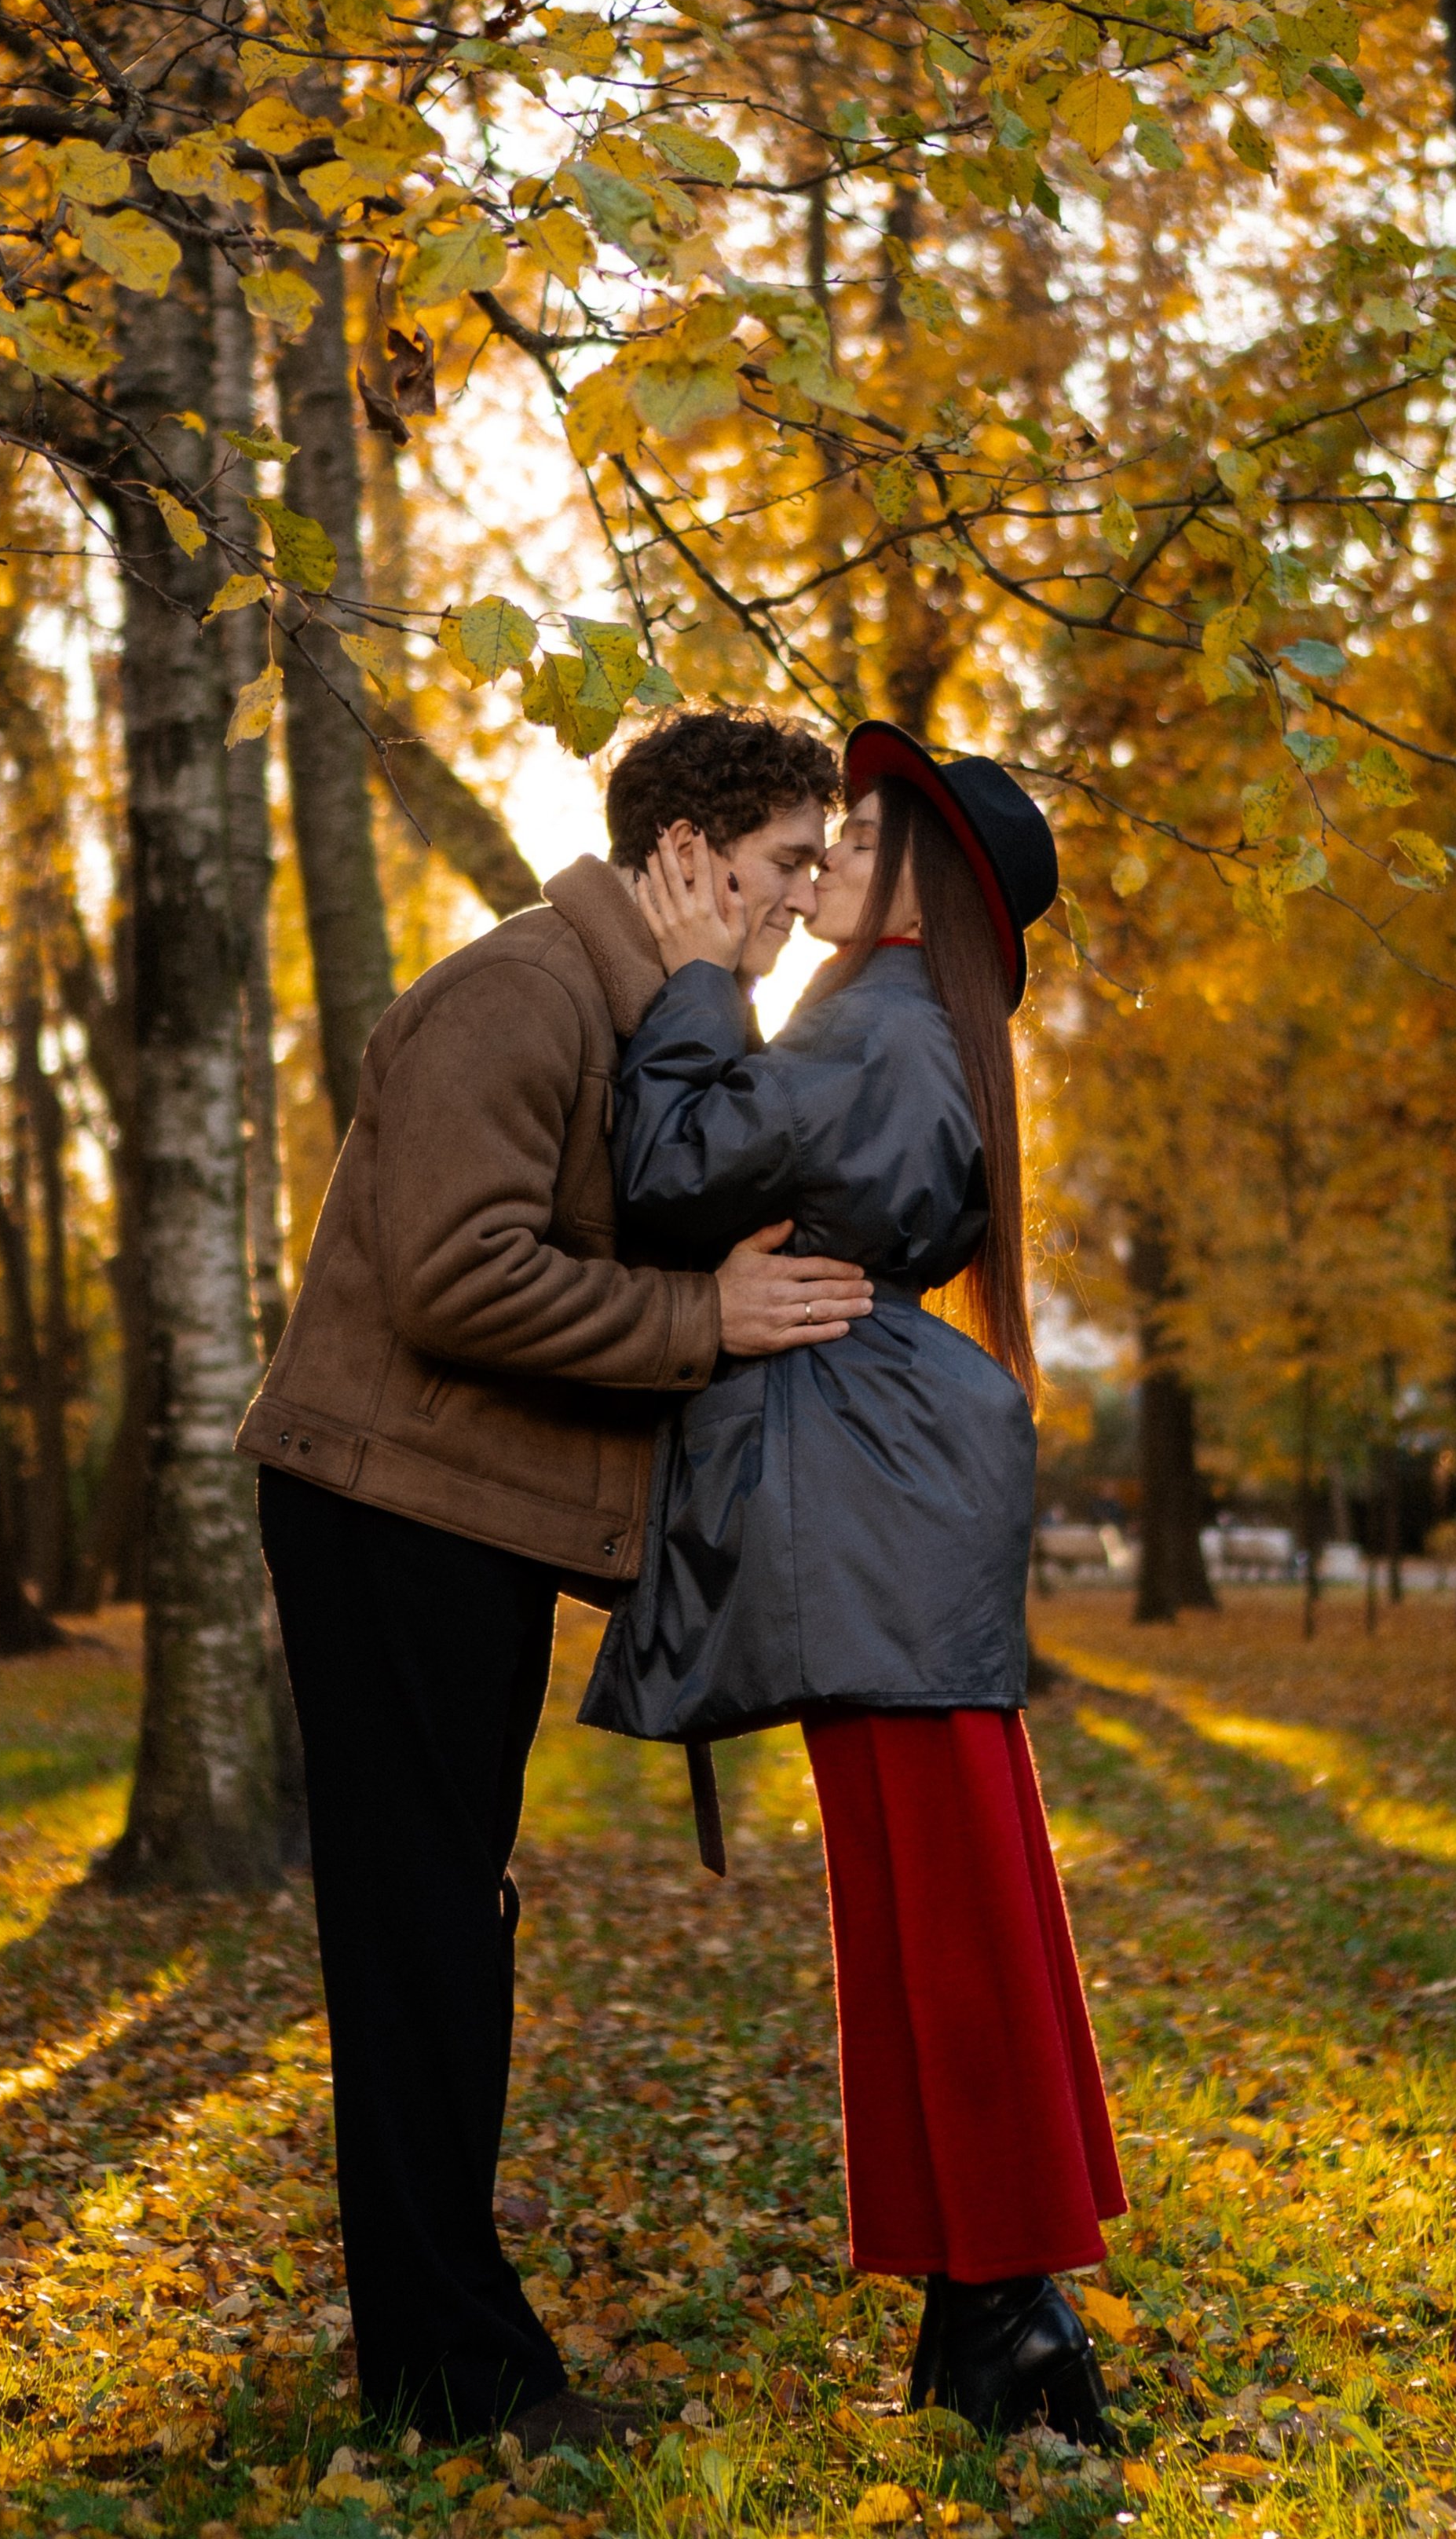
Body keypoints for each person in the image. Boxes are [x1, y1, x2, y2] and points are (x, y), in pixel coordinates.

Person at [237, 710, 875, 2449]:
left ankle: (445, 2355)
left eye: (824, 867)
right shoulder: (515, 995)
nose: (805, 905)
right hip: (386, 1509)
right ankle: (451, 2380)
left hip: (461, 1516)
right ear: (685, 851)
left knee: (447, 1924)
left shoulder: (632, 1013)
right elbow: (457, 1279)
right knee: (420, 1933)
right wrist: (701, 1320)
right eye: (789, 863)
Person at [581, 722, 1126, 2443]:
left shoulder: (883, 1025)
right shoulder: (880, 1020)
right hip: (873, 1492)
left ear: (923, 893)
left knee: (947, 1907)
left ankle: (1018, 2310)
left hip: (871, 1503)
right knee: (920, 1906)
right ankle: (982, 2306)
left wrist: (684, 974)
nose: (818, 860)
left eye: (858, 836)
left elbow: (668, 1168)